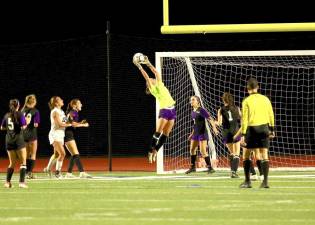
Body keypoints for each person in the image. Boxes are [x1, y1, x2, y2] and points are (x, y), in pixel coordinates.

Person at [133, 54, 176, 163]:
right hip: (165, 110)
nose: (152, 79)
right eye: (150, 80)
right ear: (148, 85)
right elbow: (146, 76)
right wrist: (139, 66)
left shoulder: (160, 83)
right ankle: (150, 151)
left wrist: (148, 63)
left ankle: (155, 151)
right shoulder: (153, 88)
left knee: (166, 134)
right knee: (158, 132)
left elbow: (156, 72)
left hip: (172, 110)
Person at [239, 77, 275, 188]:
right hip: (264, 128)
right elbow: (271, 114)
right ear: (257, 87)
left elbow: (244, 119)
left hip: (252, 129)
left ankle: (247, 181)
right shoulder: (265, 99)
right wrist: (272, 129)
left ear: (247, 89)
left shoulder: (246, 101)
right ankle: (265, 182)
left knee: (246, 155)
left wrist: (243, 134)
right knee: (264, 154)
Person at [211, 92, 241, 178]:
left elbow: (219, 123)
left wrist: (212, 122)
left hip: (226, 133)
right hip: (235, 131)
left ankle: (232, 170)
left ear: (223, 100)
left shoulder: (221, 109)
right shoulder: (237, 108)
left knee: (232, 152)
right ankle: (233, 172)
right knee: (236, 154)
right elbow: (242, 118)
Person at [1, 99, 28, 188]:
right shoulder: (20, 114)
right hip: (18, 140)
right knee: (23, 162)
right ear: (18, 106)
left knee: (12, 163)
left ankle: (7, 182)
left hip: (9, 140)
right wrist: (26, 121)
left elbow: (2, 127)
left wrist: (10, 130)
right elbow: (24, 127)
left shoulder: (6, 115)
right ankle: (21, 183)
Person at [185, 95, 215, 174]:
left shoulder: (201, 110)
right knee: (192, 150)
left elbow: (210, 119)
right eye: (191, 100)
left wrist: (214, 128)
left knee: (203, 151)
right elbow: (195, 124)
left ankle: (210, 168)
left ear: (198, 101)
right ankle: (192, 167)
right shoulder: (192, 112)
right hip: (195, 133)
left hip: (202, 133)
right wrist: (192, 134)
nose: (191, 101)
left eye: (193, 100)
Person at [64, 99, 92, 178]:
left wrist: (80, 123)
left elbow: (67, 122)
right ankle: (82, 172)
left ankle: (68, 173)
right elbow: (73, 124)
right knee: (76, 154)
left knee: (74, 154)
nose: (81, 105)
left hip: (66, 134)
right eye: (80, 103)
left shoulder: (70, 112)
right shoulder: (74, 112)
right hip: (68, 134)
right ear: (74, 105)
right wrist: (83, 125)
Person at [47, 96, 72, 178]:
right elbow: (59, 124)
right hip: (55, 135)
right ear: (56, 103)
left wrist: (68, 117)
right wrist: (69, 124)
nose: (62, 100)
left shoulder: (61, 111)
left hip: (60, 135)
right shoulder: (55, 111)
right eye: (60, 100)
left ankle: (48, 169)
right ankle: (57, 173)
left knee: (56, 155)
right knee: (63, 153)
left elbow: (64, 121)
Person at [21, 94, 40, 179]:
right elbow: (36, 125)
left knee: (25, 155)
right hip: (32, 135)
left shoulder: (21, 111)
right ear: (34, 101)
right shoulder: (35, 111)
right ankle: (30, 173)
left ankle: (24, 173)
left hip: (23, 135)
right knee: (33, 154)